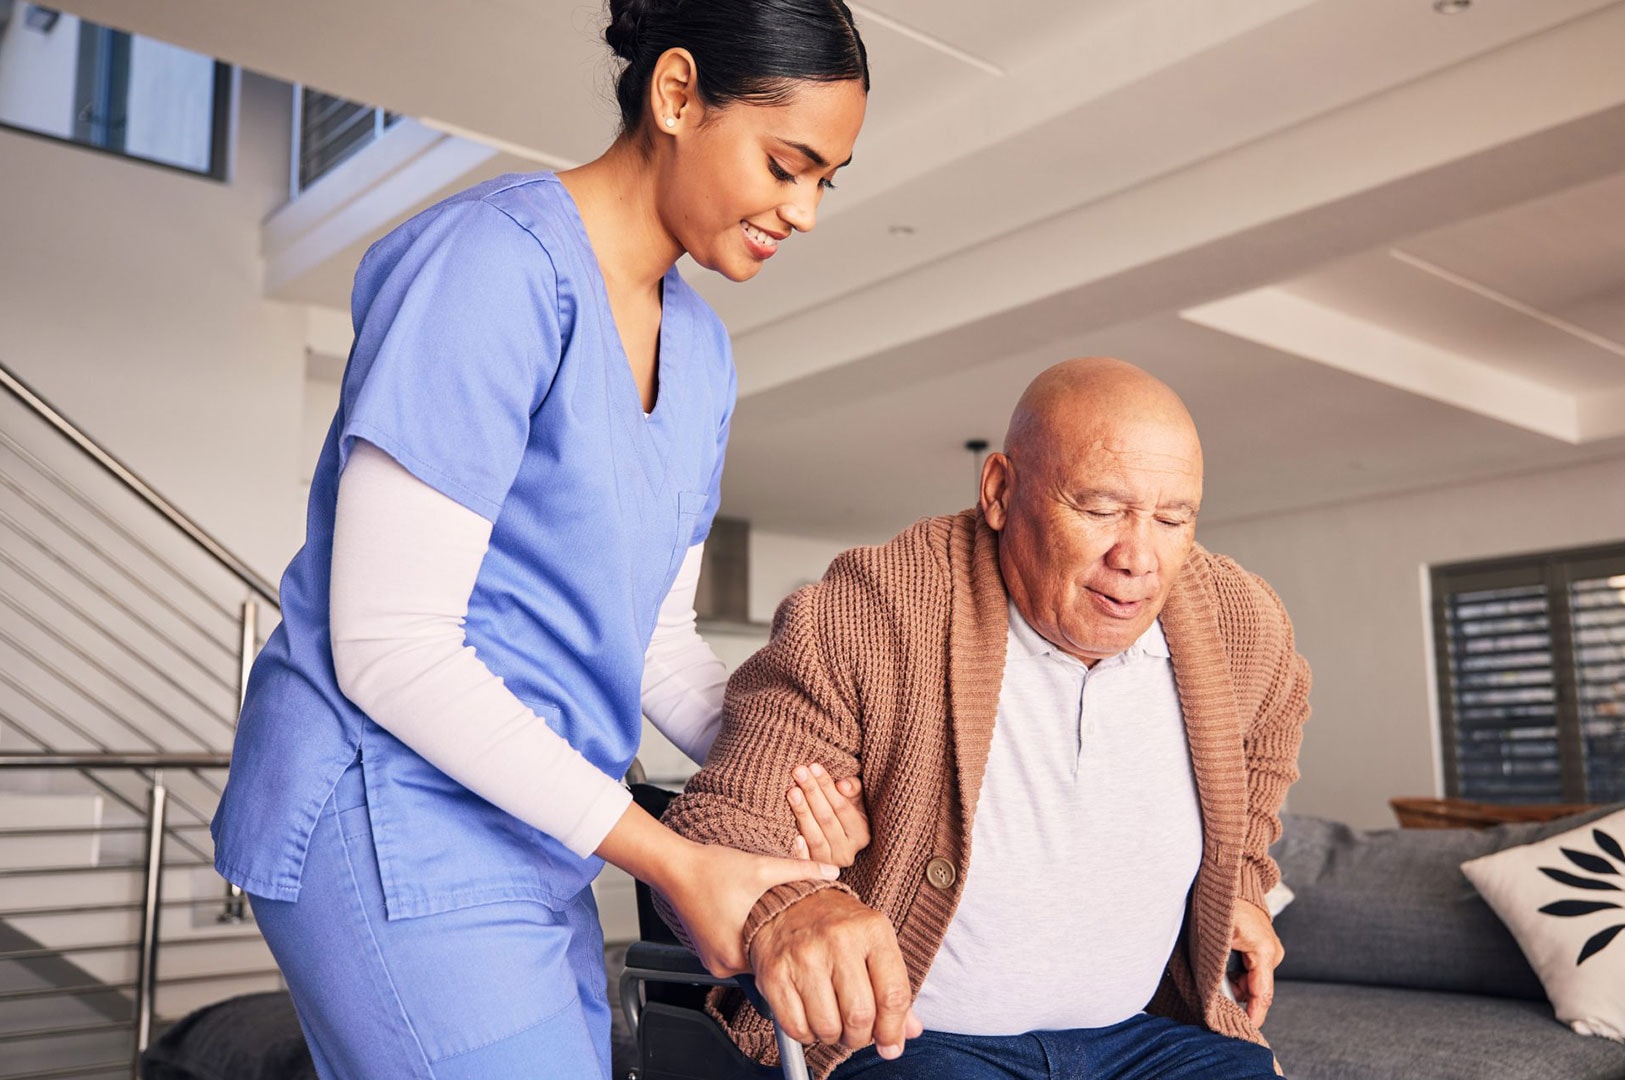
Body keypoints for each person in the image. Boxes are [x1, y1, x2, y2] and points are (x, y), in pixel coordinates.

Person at [210, 3, 872, 1077]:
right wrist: (673, 859)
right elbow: (389, 646)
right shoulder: (492, 265)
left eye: (824, 182)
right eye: (785, 165)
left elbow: (653, 642)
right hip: (389, 810)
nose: (802, 211)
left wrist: (793, 769)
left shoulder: (702, 353)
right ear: (675, 95)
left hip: (541, 828)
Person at [658, 358, 1312, 1079]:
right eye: (1099, 509)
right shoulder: (872, 609)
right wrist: (793, 902)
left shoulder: (1240, 620)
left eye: (1172, 519)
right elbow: (721, 825)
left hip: (1141, 1035)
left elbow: (1268, 735)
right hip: (913, 1038)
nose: (1138, 557)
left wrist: (1240, 879)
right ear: (1000, 491)